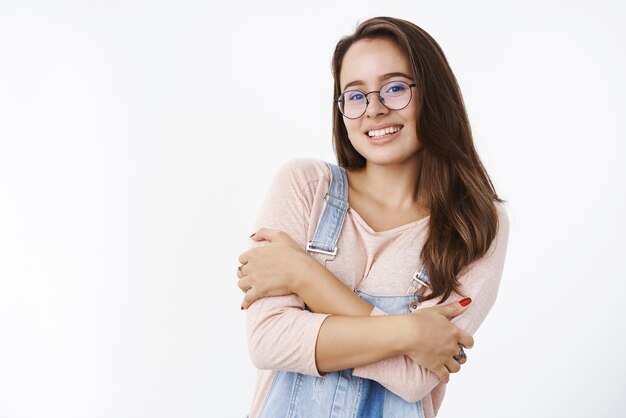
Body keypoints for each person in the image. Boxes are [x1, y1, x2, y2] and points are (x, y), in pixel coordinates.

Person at [236, 16, 509, 418]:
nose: (375, 109)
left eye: (395, 88)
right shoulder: (305, 186)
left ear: (432, 95)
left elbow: (416, 376)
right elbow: (269, 340)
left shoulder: (476, 223)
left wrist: (304, 276)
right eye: (356, 95)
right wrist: (409, 332)